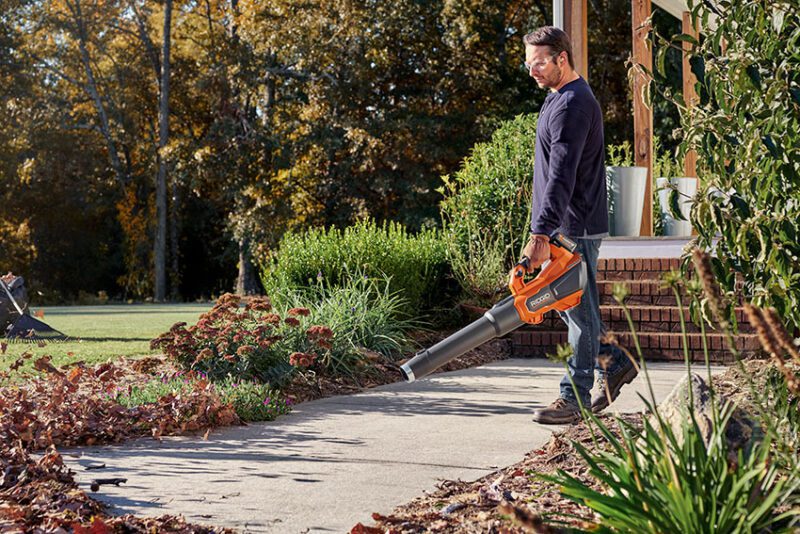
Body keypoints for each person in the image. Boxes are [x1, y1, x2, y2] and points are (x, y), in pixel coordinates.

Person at [515, 26, 637, 425]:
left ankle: (575, 397)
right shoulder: (558, 98)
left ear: (561, 59)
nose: (532, 71)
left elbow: (561, 177)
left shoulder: (572, 105)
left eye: (539, 63)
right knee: (576, 311)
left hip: (574, 227)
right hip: (566, 225)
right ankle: (614, 361)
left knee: (578, 314)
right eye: (528, 63)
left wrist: (540, 234)